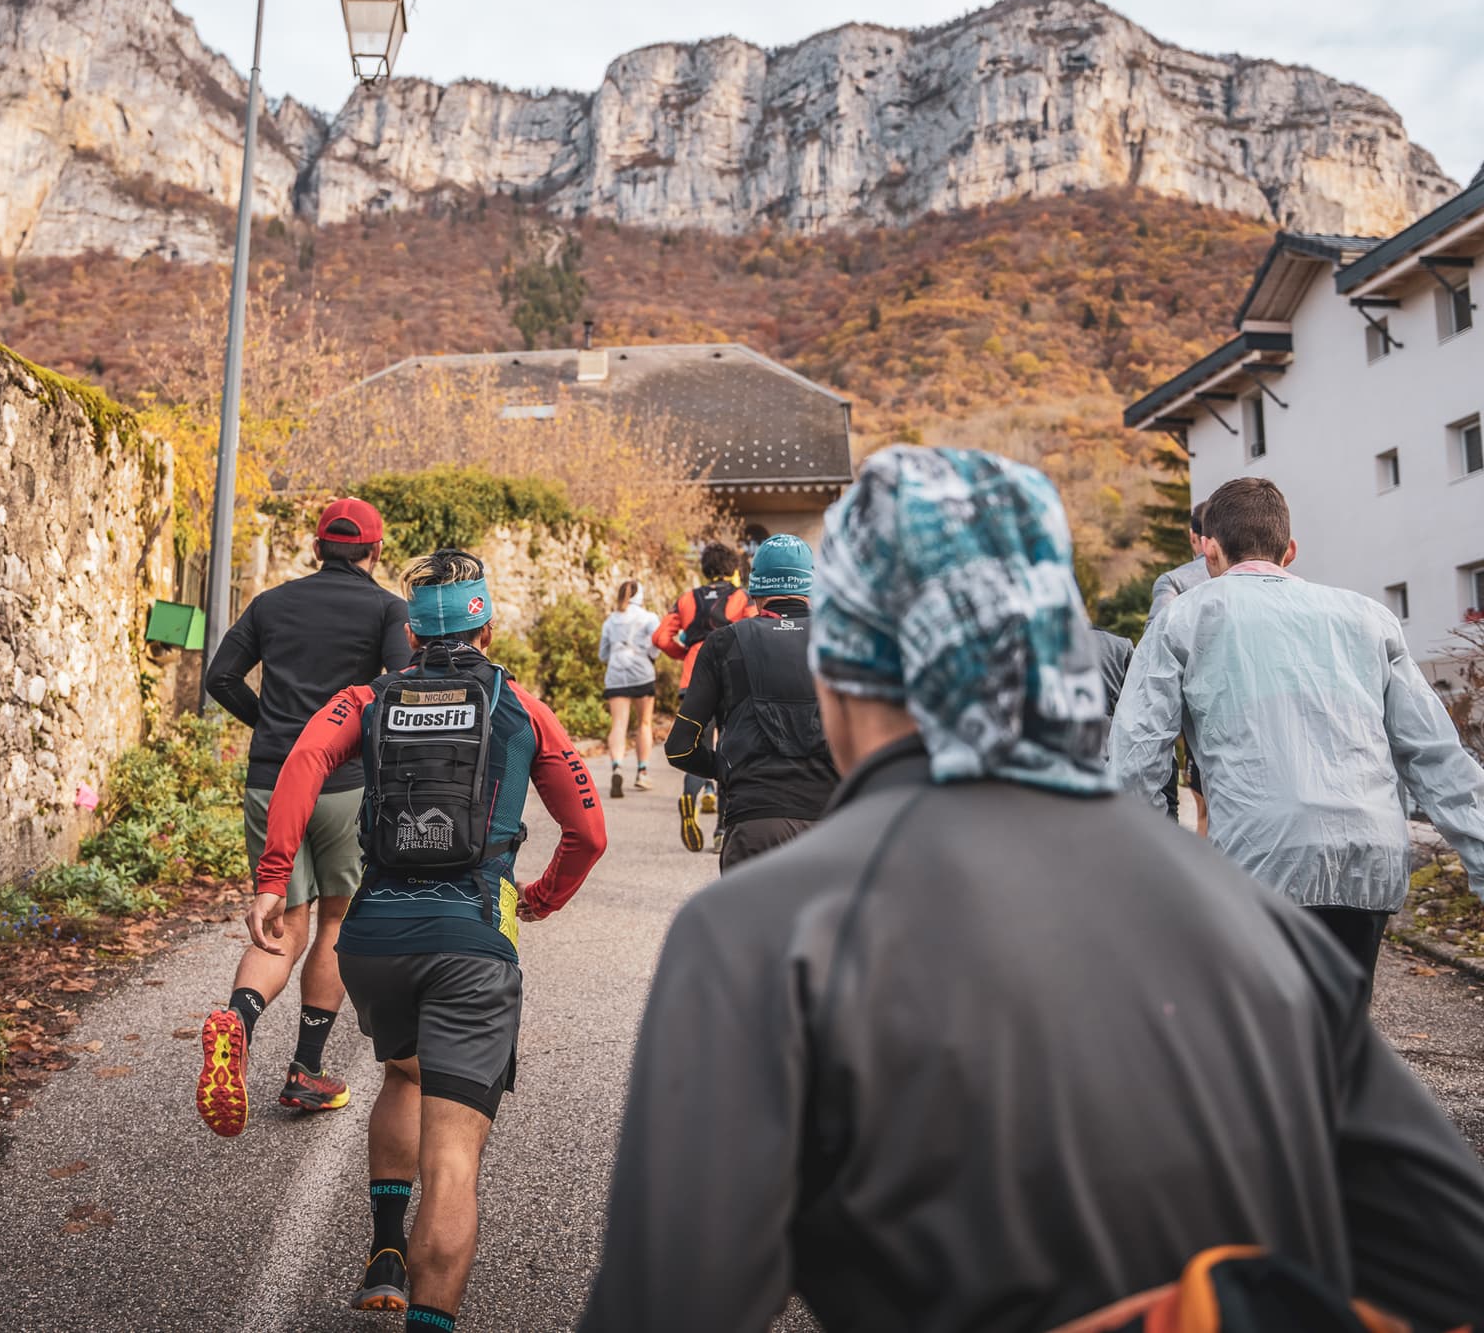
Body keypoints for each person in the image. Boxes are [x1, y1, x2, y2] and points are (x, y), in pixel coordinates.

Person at [581, 447, 1484, 1333]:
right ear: (1060, 648)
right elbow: (1451, 1258)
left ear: (839, 672)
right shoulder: (1252, 920)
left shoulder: (762, 934)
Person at [248, 549, 606, 1327]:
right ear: (488, 626)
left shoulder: (367, 698)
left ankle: (384, 1248)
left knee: (403, 1074)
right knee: (452, 1160)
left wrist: (274, 874)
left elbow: (303, 761)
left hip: (373, 940)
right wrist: (540, 897)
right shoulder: (522, 706)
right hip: (472, 940)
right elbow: (588, 830)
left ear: (410, 632)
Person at [1111, 476, 1484, 978]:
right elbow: (1434, 753)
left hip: (1258, 855)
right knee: (1341, 1021)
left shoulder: (1182, 619)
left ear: (1210, 551)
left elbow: (1137, 756)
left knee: (1262, 1023)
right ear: (1289, 550)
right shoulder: (1369, 618)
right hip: (1367, 857)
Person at [196, 497, 411, 1137]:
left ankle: (238, 1020)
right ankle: (305, 1072)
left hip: (272, 781)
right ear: (375, 550)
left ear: (317, 547)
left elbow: (221, 677)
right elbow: (398, 688)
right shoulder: (387, 609)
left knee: (283, 922)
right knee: (337, 922)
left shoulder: (271, 603)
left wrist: (270, 724)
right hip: (344, 785)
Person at [664, 534, 838, 870]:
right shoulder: (844, 642)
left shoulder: (723, 643)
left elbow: (679, 749)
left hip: (754, 824)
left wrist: (728, 769)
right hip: (833, 827)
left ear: (754, 589)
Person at [653, 542, 752, 852]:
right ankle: (722, 828)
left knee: (696, 746)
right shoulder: (741, 597)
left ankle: (689, 795)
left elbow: (660, 637)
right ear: (732, 568)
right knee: (729, 749)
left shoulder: (687, 599)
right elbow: (753, 629)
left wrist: (682, 653)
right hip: (731, 679)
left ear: (705, 569)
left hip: (694, 675)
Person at [1146, 500, 1210, 827]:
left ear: (1194, 537)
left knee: (1204, 812)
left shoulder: (1175, 582)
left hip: (1199, 715)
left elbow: (1153, 645)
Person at [598, 580, 661, 797]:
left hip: (616, 675)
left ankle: (617, 767)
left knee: (618, 725)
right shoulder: (649, 618)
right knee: (644, 723)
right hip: (642, 674)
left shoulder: (610, 620)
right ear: (640, 596)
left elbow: (603, 654)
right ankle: (642, 772)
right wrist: (649, 655)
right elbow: (657, 644)